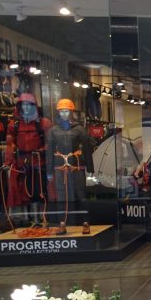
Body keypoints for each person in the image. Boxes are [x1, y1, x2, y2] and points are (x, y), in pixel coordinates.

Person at [3, 93, 52, 227]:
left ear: (33, 106)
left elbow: (51, 143)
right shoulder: (14, 125)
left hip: (39, 163)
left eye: (28, 105)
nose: (25, 108)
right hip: (22, 164)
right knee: (24, 193)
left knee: (39, 191)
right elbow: (10, 144)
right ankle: (30, 219)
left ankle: (41, 219)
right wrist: (8, 162)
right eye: (23, 105)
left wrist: (42, 150)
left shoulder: (43, 123)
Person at [47, 98, 93, 233]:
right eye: (62, 111)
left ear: (71, 112)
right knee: (61, 196)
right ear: (58, 112)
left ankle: (85, 222)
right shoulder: (53, 131)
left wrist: (90, 168)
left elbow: (87, 149)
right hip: (60, 167)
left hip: (76, 165)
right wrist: (49, 171)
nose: (65, 114)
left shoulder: (79, 129)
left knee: (81, 193)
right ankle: (62, 223)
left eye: (67, 111)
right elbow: (49, 152)